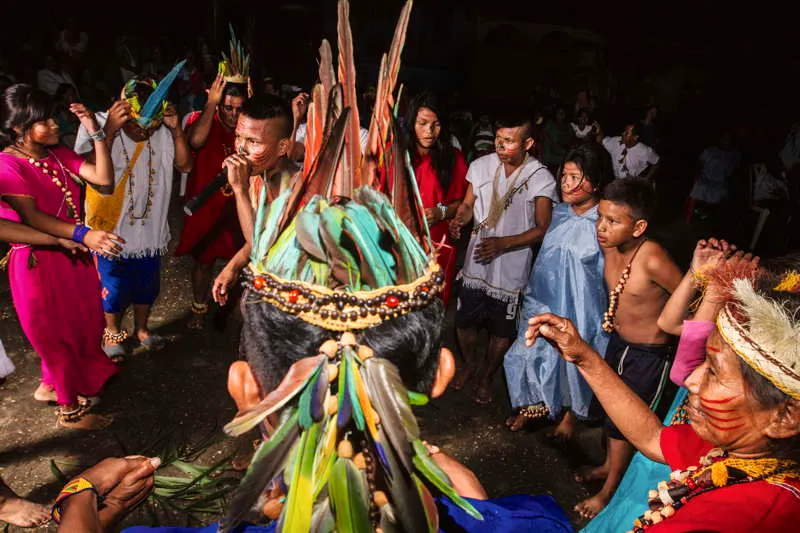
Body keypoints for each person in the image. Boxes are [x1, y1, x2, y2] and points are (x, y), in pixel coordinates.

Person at [528, 257, 800, 532]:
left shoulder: (743, 517)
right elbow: (653, 438)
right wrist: (583, 356)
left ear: (785, 417)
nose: (692, 380)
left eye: (713, 373)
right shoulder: (748, 451)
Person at [583, 238, 746, 531]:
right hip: (680, 434)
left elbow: (681, 370)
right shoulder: (723, 323)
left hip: (700, 451)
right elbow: (670, 325)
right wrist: (703, 276)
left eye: (714, 372)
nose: (696, 379)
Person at [0, 84, 123, 429]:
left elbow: (103, 179)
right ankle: (69, 412)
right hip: (39, 261)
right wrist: (85, 234)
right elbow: (32, 217)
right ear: (18, 129)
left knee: (82, 321)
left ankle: (50, 385)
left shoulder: (53, 155)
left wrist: (97, 133)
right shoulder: (7, 166)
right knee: (54, 333)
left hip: (70, 252)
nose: (55, 124)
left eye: (54, 117)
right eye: (44, 120)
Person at [572, 177, 682, 518]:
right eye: (601, 218)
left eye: (613, 222)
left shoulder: (653, 258)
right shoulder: (610, 245)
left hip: (649, 356)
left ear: (639, 227)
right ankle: (609, 467)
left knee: (627, 425)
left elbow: (689, 298)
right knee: (610, 411)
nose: (601, 228)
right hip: (617, 342)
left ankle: (608, 492)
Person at [75, 74, 193, 360]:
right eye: (136, 125)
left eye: (149, 127)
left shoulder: (164, 130)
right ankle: (112, 332)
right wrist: (110, 131)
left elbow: (185, 165)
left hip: (149, 228)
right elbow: (85, 169)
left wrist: (177, 131)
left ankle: (142, 329)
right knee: (113, 286)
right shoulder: (100, 124)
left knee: (147, 284)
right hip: (111, 225)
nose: (143, 132)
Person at [449, 114, 558, 404]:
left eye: (509, 141)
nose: (501, 146)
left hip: (511, 267)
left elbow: (542, 227)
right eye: (499, 140)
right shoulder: (481, 166)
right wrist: (460, 220)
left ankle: (486, 375)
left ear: (528, 143)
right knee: (463, 321)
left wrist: (503, 243)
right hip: (477, 260)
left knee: (501, 329)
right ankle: (470, 364)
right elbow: (468, 205)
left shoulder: (540, 177)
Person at [503, 143, 609, 438]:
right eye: (565, 176)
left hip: (582, 308)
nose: (567, 183)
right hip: (542, 299)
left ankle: (569, 420)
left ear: (597, 182)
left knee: (572, 367)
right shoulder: (557, 213)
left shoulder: (604, 222)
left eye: (577, 178)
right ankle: (533, 408)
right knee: (528, 355)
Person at [174, 51, 250, 330]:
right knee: (203, 262)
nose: (233, 114)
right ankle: (199, 308)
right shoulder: (203, 118)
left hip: (237, 207)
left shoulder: (249, 128)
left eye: (239, 108)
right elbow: (195, 141)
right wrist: (211, 105)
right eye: (227, 108)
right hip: (206, 206)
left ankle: (238, 312)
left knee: (242, 263)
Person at [210, 94, 298, 308]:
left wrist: (239, 189)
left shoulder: (300, 191)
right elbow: (260, 233)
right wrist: (234, 265)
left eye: (253, 141)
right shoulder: (261, 178)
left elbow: (260, 246)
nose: (240, 149)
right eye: (239, 137)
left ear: (282, 146)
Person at [404, 91, 469, 305]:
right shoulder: (396, 155)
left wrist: (440, 212)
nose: (429, 132)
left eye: (436, 124)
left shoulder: (453, 158)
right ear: (411, 121)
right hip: (400, 243)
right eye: (422, 123)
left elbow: (462, 202)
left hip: (437, 244)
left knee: (432, 305)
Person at [541, 105, 575, 174]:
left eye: (563, 112)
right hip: (551, 147)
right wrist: (552, 143)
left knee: (568, 154)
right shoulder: (550, 123)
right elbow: (544, 133)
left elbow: (572, 138)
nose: (561, 114)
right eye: (559, 112)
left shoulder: (568, 125)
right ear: (556, 113)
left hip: (564, 148)